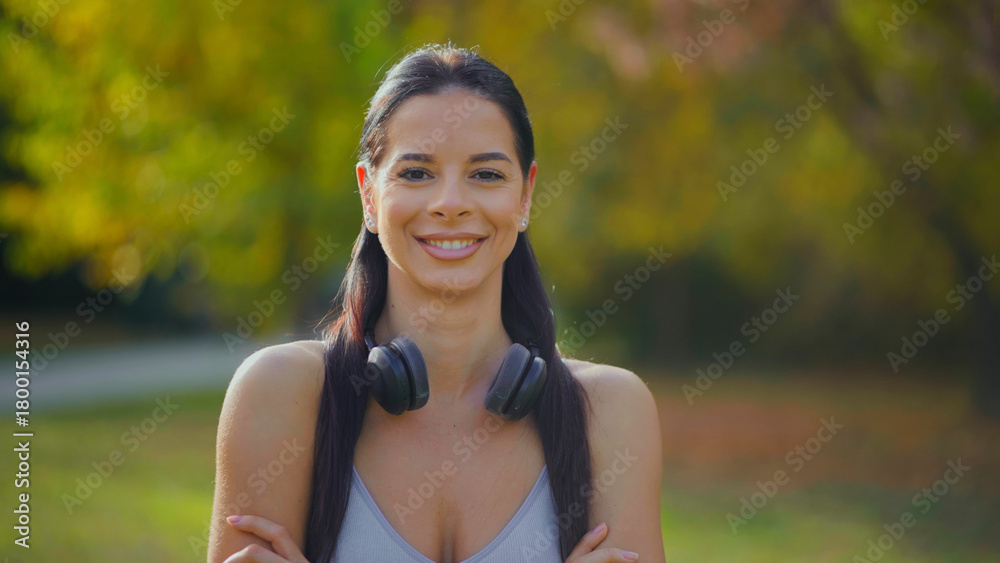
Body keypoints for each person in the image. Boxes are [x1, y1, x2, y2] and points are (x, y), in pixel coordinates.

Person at [208, 42, 664, 563]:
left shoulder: (610, 411)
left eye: (486, 174)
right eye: (416, 173)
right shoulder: (280, 394)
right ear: (368, 195)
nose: (450, 204)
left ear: (525, 196)